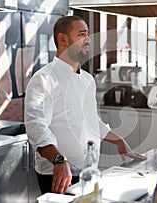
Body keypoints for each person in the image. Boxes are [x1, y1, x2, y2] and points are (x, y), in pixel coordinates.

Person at [24, 15, 146, 195]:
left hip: (87, 170)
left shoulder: (87, 79)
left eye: (88, 34)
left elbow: (91, 120)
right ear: (63, 39)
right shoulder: (43, 79)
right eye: (82, 34)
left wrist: (119, 141)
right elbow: (36, 127)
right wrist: (58, 160)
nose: (88, 40)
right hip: (57, 172)